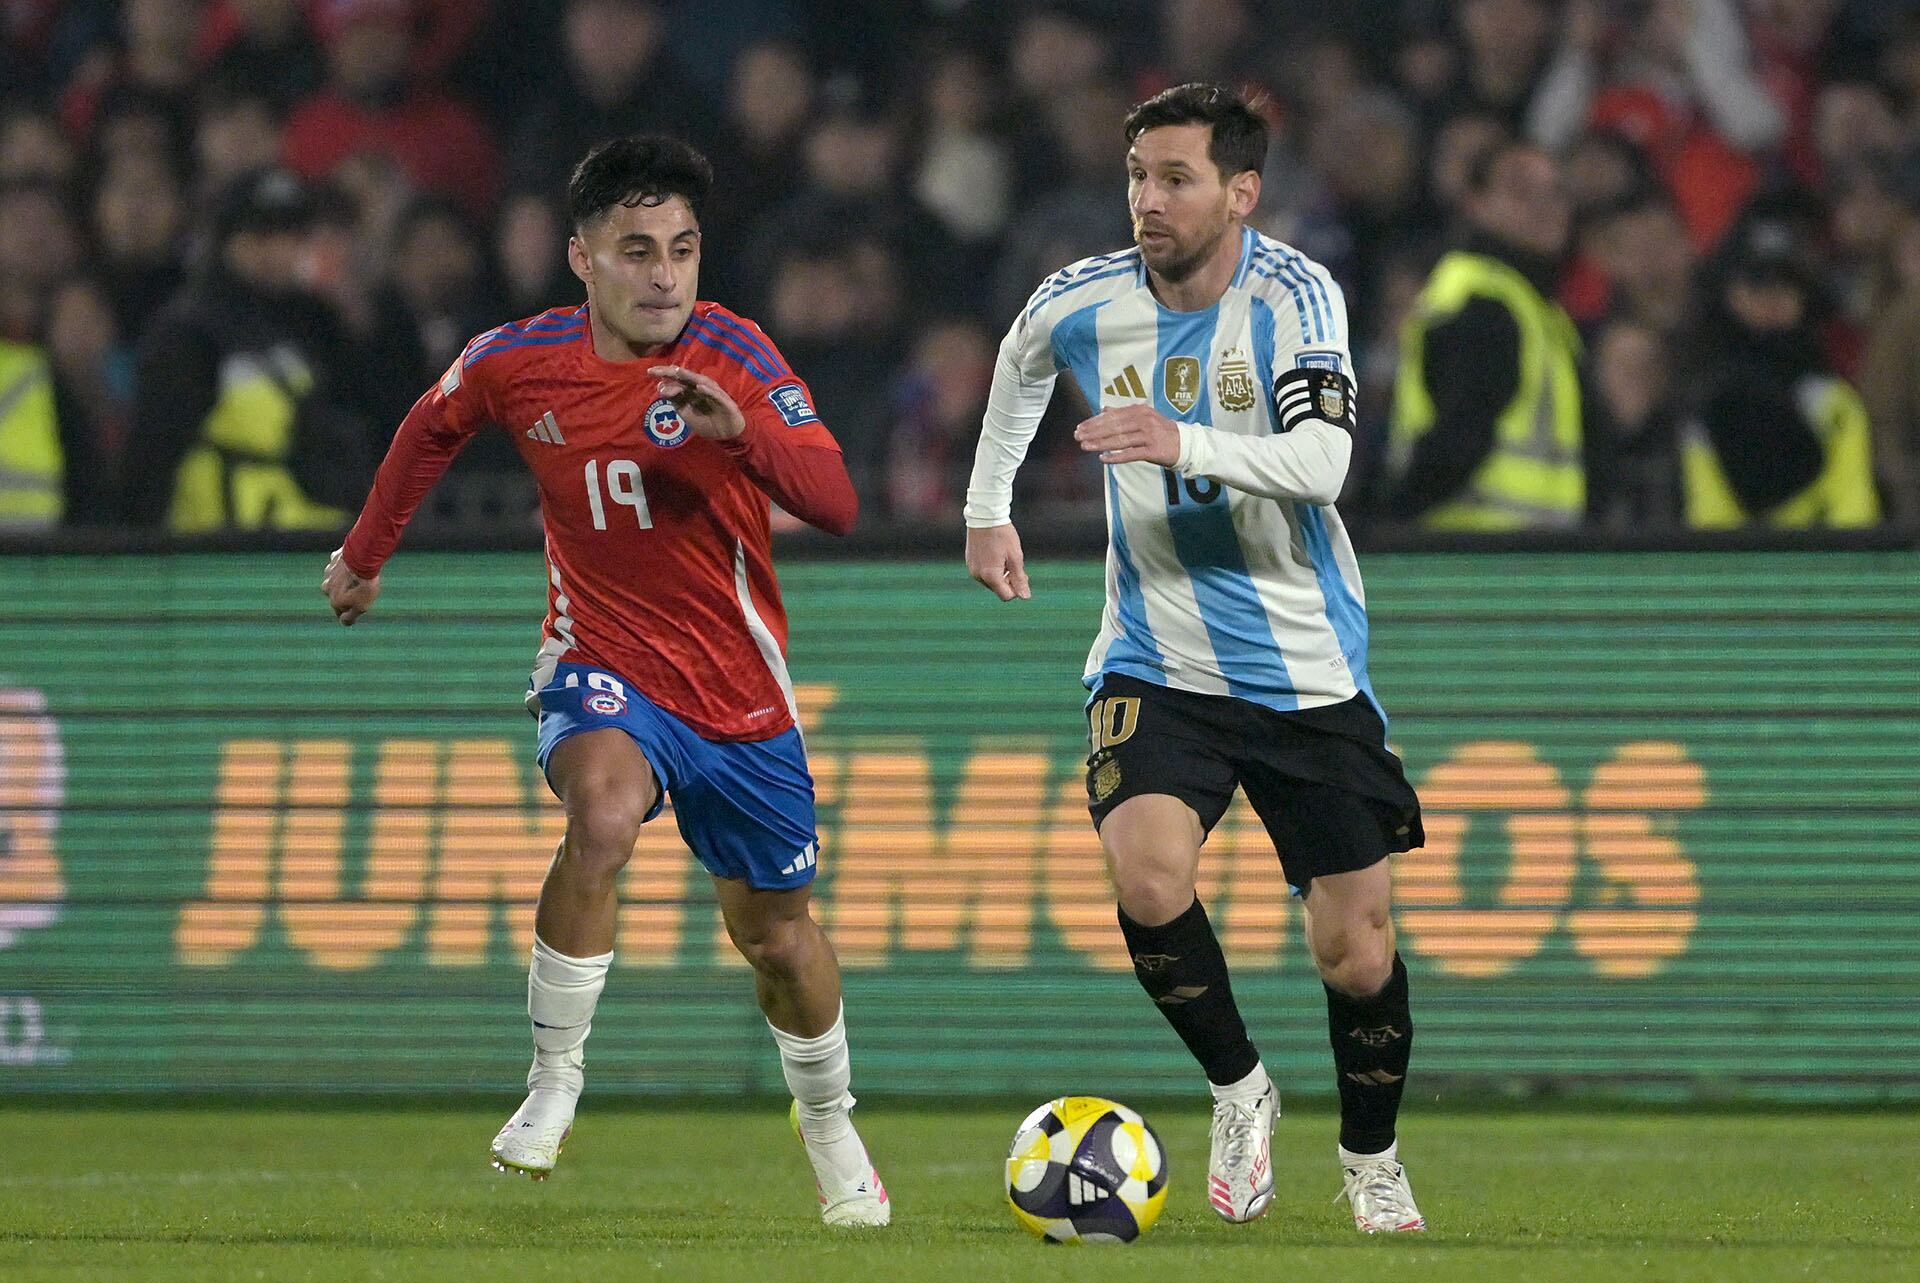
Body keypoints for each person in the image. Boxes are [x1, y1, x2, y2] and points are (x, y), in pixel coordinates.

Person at [319, 135, 888, 1228]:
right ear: (582, 257)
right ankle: (553, 1080)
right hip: (603, 658)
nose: (666, 273)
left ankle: (830, 1123)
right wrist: (363, 554)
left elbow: (838, 498)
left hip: (740, 694)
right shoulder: (516, 359)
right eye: (638, 250)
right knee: (602, 813)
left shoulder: (736, 351)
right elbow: (427, 429)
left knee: (778, 937)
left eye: (683, 248)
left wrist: (749, 432)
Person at [964, 83, 1427, 1235]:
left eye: (1174, 179)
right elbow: (1020, 362)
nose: (1147, 201)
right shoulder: (1087, 296)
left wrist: (1181, 439)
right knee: (1149, 876)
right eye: (1137, 177)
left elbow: (1323, 464)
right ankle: (1238, 1085)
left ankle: (1371, 1156)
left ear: (1241, 191)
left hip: (1306, 665)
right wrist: (987, 507)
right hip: (1155, 651)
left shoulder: (1297, 294)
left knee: (1356, 949)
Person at [1383, 140, 1584, 529]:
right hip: (1469, 559)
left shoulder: (1539, 308)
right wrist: (1388, 524)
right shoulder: (1483, 301)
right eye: (1522, 191)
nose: (1546, 206)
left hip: (1522, 561)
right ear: (1475, 203)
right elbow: (1459, 437)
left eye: (1557, 192)